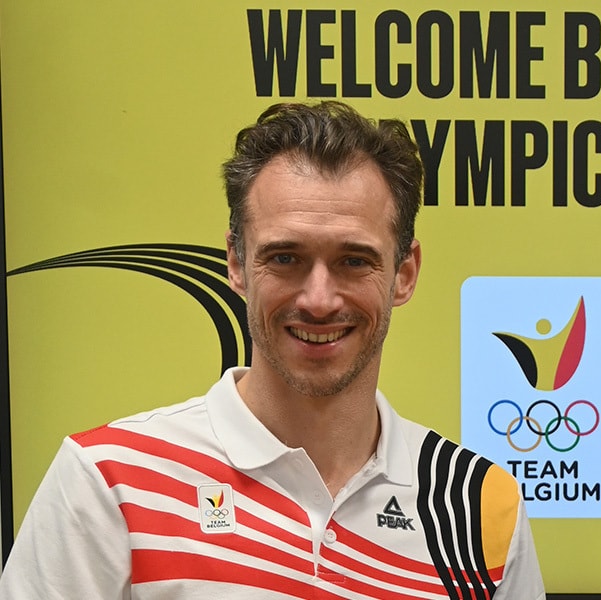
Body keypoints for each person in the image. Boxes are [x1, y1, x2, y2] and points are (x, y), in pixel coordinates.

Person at [0, 101, 545, 599]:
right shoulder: (109, 481)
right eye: (285, 258)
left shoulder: (479, 503)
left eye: (354, 260)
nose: (318, 299)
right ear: (237, 263)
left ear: (404, 273)